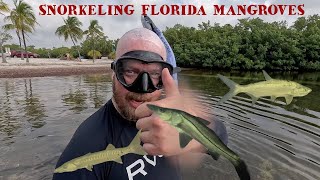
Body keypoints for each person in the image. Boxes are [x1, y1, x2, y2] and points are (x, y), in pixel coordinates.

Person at [53, 27, 228, 180]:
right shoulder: (85, 146)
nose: (143, 89)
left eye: (154, 74)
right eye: (130, 71)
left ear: (164, 77)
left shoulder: (169, 115)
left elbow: (222, 138)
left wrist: (191, 138)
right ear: (114, 74)